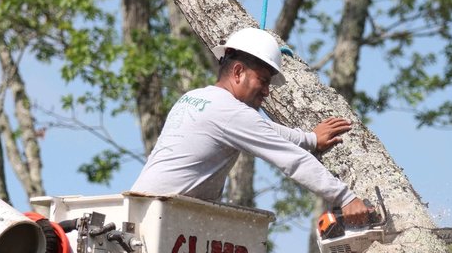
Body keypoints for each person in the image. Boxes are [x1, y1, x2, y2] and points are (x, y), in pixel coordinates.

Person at [131, 27, 370, 225]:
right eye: (263, 81)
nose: (267, 91)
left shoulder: (196, 98)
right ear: (238, 71)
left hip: (137, 211)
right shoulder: (231, 113)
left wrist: (309, 140)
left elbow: (263, 130)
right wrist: (345, 198)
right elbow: (292, 160)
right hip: (158, 218)